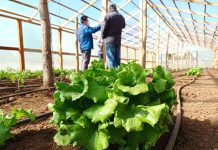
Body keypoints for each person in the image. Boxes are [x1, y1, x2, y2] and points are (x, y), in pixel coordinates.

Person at [101, 4, 125, 69]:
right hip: (118, 41)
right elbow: (123, 26)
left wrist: (102, 37)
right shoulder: (121, 17)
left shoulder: (108, 16)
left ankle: (112, 76)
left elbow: (103, 28)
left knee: (110, 59)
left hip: (109, 40)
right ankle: (118, 76)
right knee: (117, 59)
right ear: (116, 9)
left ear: (110, 9)